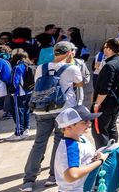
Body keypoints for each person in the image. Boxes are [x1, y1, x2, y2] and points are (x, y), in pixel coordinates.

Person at [20, 41, 86, 191]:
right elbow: (80, 84)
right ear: (69, 53)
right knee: (59, 142)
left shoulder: (41, 67)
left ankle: (28, 180)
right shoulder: (72, 68)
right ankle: (53, 176)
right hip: (62, 110)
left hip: (42, 109)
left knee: (39, 144)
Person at [53, 106, 105, 192]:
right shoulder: (71, 147)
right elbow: (72, 175)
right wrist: (100, 161)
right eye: (84, 122)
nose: (89, 123)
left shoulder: (81, 138)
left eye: (89, 120)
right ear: (68, 127)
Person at [91, 37, 119, 148]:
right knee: (111, 126)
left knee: (99, 130)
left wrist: (97, 104)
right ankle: (113, 149)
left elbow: (105, 89)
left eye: (106, 47)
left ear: (110, 49)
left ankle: (103, 154)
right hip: (116, 101)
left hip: (106, 103)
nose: (104, 49)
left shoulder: (109, 66)